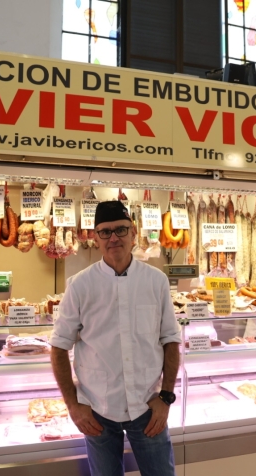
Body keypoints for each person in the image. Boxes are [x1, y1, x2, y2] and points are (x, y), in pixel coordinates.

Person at [50, 200, 181, 476]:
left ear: (134, 233)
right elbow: (59, 346)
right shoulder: (80, 285)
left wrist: (166, 398)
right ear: (95, 238)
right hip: (97, 411)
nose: (113, 238)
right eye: (105, 231)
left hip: (147, 408)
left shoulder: (156, 281)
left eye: (121, 230)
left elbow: (170, 340)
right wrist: (73, 406)